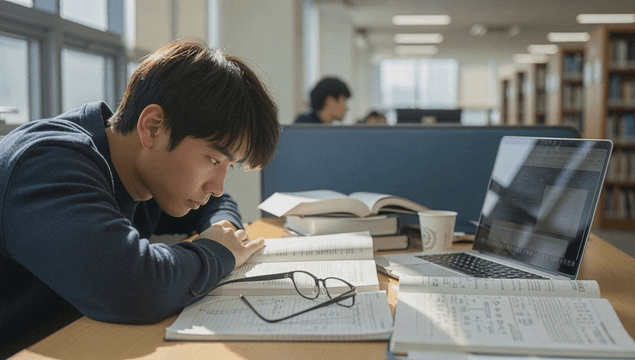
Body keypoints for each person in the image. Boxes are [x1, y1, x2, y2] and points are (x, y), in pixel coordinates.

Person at [0, 39, 280, 356]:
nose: (215, 184)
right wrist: (217, 251)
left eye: (229, 166)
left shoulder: (143, 168)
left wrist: (225, 231)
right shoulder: (49, 162)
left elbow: (218, 201)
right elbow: (132, 287)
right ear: (153, 127)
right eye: (214, 160)